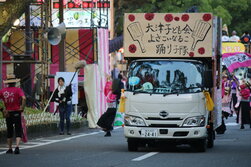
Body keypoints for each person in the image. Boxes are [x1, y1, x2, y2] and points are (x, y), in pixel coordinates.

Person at [0, 74, 26, 154]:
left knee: (9, 130)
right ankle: (17, 147)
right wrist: (22, 107)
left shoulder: (3, 91)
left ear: (7, 83)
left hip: (8, 112)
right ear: (15, 82)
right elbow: (24, 98)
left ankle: (10, 148)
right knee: (18, 129)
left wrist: (2, 109)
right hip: (17, 112)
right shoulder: (18, 90)